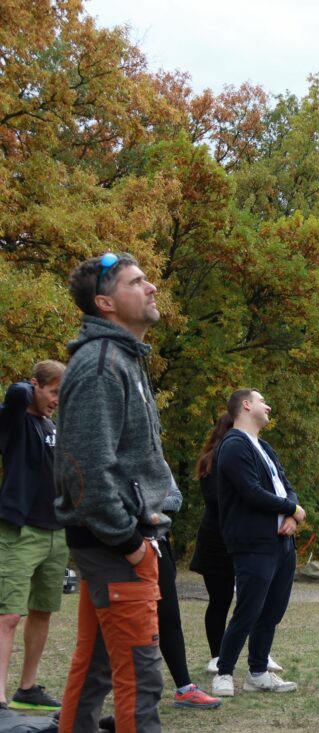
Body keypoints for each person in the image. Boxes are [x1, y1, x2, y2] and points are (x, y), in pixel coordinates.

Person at [54, 252, 174, 733]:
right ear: (105, 303)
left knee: (98, 666)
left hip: (114, 543)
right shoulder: (103, 365)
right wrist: (130, 545)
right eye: (137, 282)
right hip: (115, 546)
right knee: (140, 677)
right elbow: (84, 471)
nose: (151, 288)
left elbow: (126, 459)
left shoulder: (122, 359)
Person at [211, 389, 305, 697]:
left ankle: (258, 672)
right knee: (249, 609)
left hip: (281, 544)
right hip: (253, 543)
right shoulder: (234, 445)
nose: (268, 405)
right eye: (263, 400)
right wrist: (290, 509)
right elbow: (250, 491)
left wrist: (292, 515)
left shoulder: (264, 447)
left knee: (272, 610)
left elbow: (286, 486)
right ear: (246, 405)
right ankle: (224, 672)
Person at [190, 415, 284, 677]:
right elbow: (216, 499)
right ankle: (217, 655)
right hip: (217, 541)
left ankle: (260, 653)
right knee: (219, 600)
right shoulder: (214, 460)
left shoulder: (257, 454)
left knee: (253, 599)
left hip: (249, 538)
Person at [0, 360, 66, 712]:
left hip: (56, 532)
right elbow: (15, 394)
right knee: (8, 615)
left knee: (42, 611)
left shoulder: (50, 424)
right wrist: (31, 389)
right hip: (21, 530)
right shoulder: (14, 421)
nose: (57, 399)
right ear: (35, 386)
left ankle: (27, 688)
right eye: (53, 392)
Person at [155, 477, 221, 709]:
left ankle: (185, 689)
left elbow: (176, 498)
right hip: (123, 546)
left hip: (158, 543)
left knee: (169, 618)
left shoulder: (155, 456)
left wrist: (147, 505)